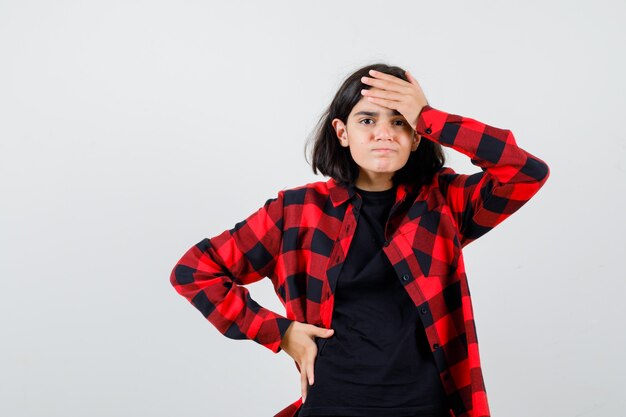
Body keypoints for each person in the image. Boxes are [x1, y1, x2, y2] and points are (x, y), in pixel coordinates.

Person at [169, 63, 550, 417]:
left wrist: (430, 117)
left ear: (417, 136)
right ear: (342, 132)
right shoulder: (296, 210)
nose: (383, 133)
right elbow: (194, 271)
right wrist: (280, 333)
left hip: (427, 407)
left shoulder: (445, 202)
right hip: (334, 404)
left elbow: (525, 172)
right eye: (367, 119)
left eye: (399, 121)